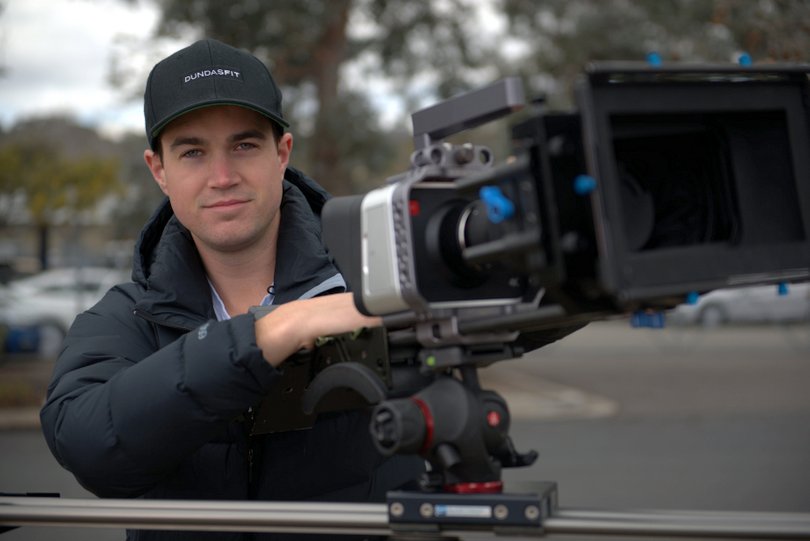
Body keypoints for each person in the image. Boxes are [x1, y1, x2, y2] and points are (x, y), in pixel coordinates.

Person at [39, 38, 425, 540]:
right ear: (159, 170)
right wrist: (276, 329)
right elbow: (89, 444)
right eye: (193, 152)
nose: (222, 177)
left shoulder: (380, 284)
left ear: (281, 153)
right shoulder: (122, 320)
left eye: (244, 145)